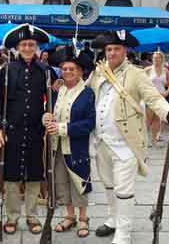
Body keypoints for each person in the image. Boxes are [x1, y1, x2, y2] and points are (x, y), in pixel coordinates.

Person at [87, 31, 169, 244]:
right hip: (101, 140)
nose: (112, 53)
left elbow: (154, 98)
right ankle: (112, 219)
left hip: (125, 143)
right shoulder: (98, 72)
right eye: (109, 49)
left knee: (124, 190)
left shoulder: (137, 74)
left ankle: (124, 232)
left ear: (125, 51)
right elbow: (86, 95)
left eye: (116, 49)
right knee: (109, 185)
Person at [0, 23, 55, 235]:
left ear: (37, 47)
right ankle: (12, 216)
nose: (28, 48)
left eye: (31, 44)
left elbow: (55, 99)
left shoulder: (46, 71)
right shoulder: (7, 70)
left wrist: (51, 117)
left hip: (37, 132)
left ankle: (32, 216)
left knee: (34, 175)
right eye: (24, 44)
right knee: (10, 175)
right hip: (12, 131)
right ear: (17, 47)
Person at [43, 46, 95, 238]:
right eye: (64, 69)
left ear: (80, 71)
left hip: (76, 147)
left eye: (71, 69)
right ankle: (69, 216)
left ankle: (83, 218)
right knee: (62, 182)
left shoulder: (87, 93)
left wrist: (62, 128)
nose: (67, 72)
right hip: (57, 147)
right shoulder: (58, 90)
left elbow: (89, 123)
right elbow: (49, 111)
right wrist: (46, 119)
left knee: (78, 182)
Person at [144, 51, 169, 147]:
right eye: (154, 58)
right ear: (152, 59)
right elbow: (140, 81)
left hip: (161, 97)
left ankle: (154, 139)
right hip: (150, 97)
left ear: (162, 59)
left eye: (158, 58)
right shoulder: (148, 69)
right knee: (148, 119)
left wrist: (167, 92)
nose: (156, 59)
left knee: (157, 119)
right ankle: (144, 140)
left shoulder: (166, 70)